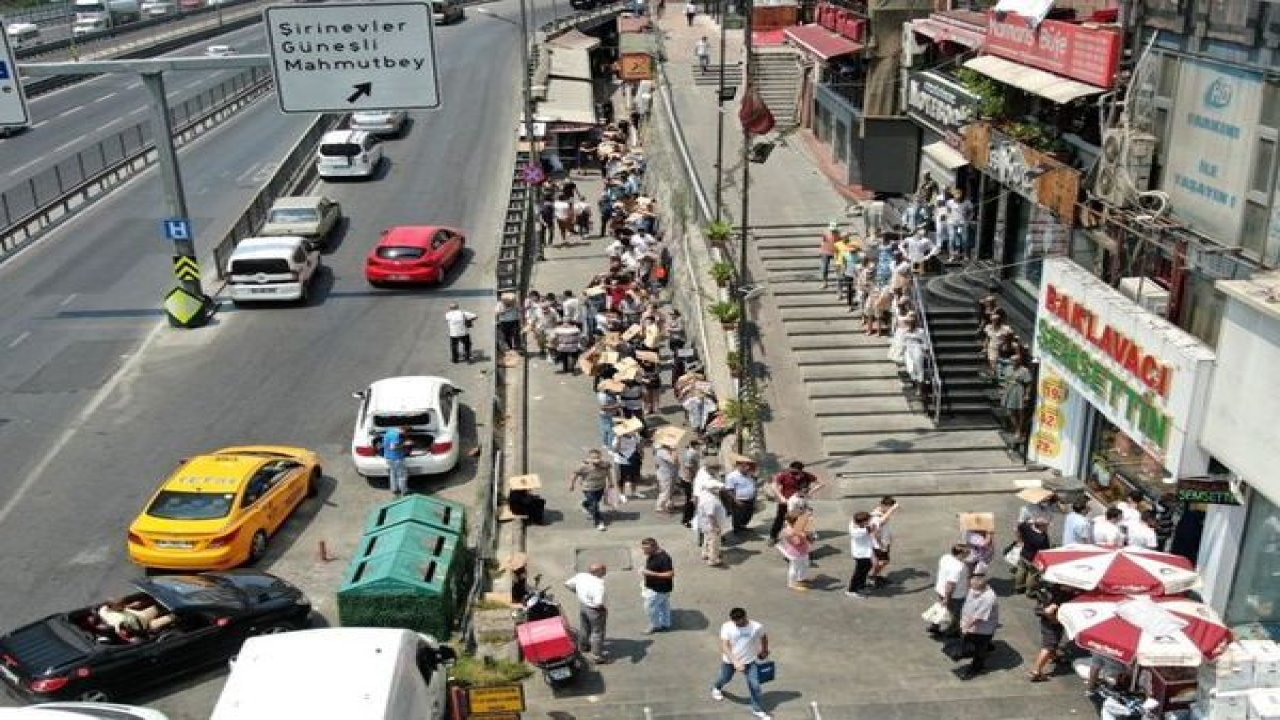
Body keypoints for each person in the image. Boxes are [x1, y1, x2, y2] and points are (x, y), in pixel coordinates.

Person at [711, 608, 772, 720]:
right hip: (730, 661)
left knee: (755, 685)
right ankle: (716, 688)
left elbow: (763, 637)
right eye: (735, 622)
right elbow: (725, 646)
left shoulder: (756, 626)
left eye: (740, 621)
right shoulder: (727, 626)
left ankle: (757, 709)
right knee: (725, 678)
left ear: (745, 617)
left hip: (749, 661)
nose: (738, 623)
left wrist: (764, 650)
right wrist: (735, 662)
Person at [1027, 583, 1074, 682]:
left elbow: (1038, 608)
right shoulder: (1060, 595)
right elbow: (1045, 610)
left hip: (1048, 622)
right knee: (1048, 646)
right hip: (1052, 624)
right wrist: (1050, 613)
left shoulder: (1049, 590)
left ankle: (1053, 656)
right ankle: (1036, 672)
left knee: (1054, 640)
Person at [768, 461, 823, 544]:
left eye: (796, 472)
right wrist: (781, 497)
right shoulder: (784, 475)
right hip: (785, 502)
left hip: (800, 503)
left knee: (801, 520)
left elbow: (821, 483)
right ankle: (773, 537)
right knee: (780, 519)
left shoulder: (806, 476)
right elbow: (774, 485)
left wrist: (810, 492)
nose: (793, 474)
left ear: (801, 471)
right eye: (792, 472)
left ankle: (801, 537)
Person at [564, 564, 610, 664]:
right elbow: (598, 603)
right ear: (598, 572)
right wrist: (603, 609)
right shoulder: (599, 585)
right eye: (603, 570)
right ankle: (597, 656)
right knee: (597, 632)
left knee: (584, 627)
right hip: (595, 610)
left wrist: (578, 593)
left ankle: (583, 646)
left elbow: (567, 584)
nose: (605, 571)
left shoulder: (581, 576)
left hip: (583, 606)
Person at [957, 575, 999, 679]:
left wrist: (965, 627)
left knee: (979, 649)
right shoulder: (975, 588)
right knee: (976, 644)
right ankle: (986, 647)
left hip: (983, 629)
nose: (971, 589)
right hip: (971, 624)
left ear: (982, 587)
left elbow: (978, 617)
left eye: (973, 588)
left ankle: (977, 667)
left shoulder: (989, 598)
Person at [930, 543, 970, 637]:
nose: (968, 554)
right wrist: (947, 598)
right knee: (955, 614)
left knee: (941, 608)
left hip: (940, 589)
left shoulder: (945, 557)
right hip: (955, 595)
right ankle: (953, 632)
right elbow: (950, 584)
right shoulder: (958, 567)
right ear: (960, 554)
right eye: (967, 553)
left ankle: (935, 625)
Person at [570, 449, 613, 531]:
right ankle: (598, 522)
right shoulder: (584, 467)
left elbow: (608, 473)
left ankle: (585, 504)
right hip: (588, 489)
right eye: (593, 458)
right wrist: (572, 485)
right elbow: (575, 475)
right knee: (595, 505)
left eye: (598, 457)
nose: (596, 460)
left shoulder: (605, 465)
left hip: (600, 487)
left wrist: (611, 482)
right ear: (589, 458)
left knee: (596, 501)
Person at [639, 538, 675, 634]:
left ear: (654, 547)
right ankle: (665, 623)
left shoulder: (664, 558)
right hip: (659, 588)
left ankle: (655, 625)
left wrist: (649, 573)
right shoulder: (653, 554)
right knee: (663, 605)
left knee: (649, 607)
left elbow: (670, 574)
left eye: (646, 549)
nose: (643, 551)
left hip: (659, 589)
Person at [1014, 514, 1052, 596]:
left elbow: (1020, 526)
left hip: (1024, 554)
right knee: (1032, 575)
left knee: (1021, 570)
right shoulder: (1042, 538)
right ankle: (1030, 591)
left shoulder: (1027, 528)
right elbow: (1045, 550)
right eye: (1046, 526)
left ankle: (1018, 587)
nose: (1047, 527)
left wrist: (1020, 539)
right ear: (1041, 526)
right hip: (1033, 559)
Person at [694, 479, 728, 566]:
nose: (720, 490)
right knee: (714, 542)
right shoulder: (710, 499)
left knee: (707, 539)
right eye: (718, 488)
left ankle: (705, 553)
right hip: (711, 525)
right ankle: (713, 559)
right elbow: (710, 515)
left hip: (706, 524)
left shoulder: (706, 495)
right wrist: (715, 526)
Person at [778, 511, 812, 591]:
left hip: (803, 550)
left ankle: (801, 579)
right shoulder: (788, 531)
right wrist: (803, 535)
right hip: (795, 553)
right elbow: (796, 542)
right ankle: (792, 584)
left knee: (805, 564)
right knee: (794, 568)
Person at [723, 457, 759, 534]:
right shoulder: (732, 476)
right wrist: (736, 500)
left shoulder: (749, 474)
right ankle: (737, 530)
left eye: (748, 466)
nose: (747, 468)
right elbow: (729, 490)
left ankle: (742, 526)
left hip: (750, 499)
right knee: (738, 516)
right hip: (739, 500)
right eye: (745, 466)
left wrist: (754, 498)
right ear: (739, 466)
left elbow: (754, 484)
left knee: (748, 515)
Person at [868, 497, 897, 587]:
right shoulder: (876, 516)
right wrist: (881, 544)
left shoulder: (882, 513)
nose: (890, 510)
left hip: (884, 542)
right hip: (879, 544)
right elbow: (875, 531)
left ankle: (876, 575)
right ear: (883, 505)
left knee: (881, 560)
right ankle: (873, 576)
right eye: (889, 507)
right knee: (883, 561)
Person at [846, 511, 875, 598]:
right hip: (861, 554)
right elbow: (872, 528)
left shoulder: (853, 523)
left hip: (864, 552)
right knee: (859, 572)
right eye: (868, 520)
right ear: (862, 522)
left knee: (868, 566)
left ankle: (861, 586)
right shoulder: (859, 531)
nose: (869, 521)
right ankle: (851, 590)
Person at [381, 425, 411, 495]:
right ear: (404, 431)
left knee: (393, 473)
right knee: (402, 475)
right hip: (397, 458)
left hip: (388, 457)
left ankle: (394, 489)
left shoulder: (390, 431)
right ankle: (404, 491)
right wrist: (405, 444)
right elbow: (393, 447)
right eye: (406, 434)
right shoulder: (396, 435)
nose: (406, 435)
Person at [818, 221, 840, 289]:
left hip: (835, 251)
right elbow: (823, 241)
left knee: (838, 267)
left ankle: (839, 283)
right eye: (832, 229)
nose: (833, 231)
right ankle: (825, 282)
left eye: (834, 229)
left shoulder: (838, 234)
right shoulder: (825, 233)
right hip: (825, 251)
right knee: (824, 267)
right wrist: (821, 250)